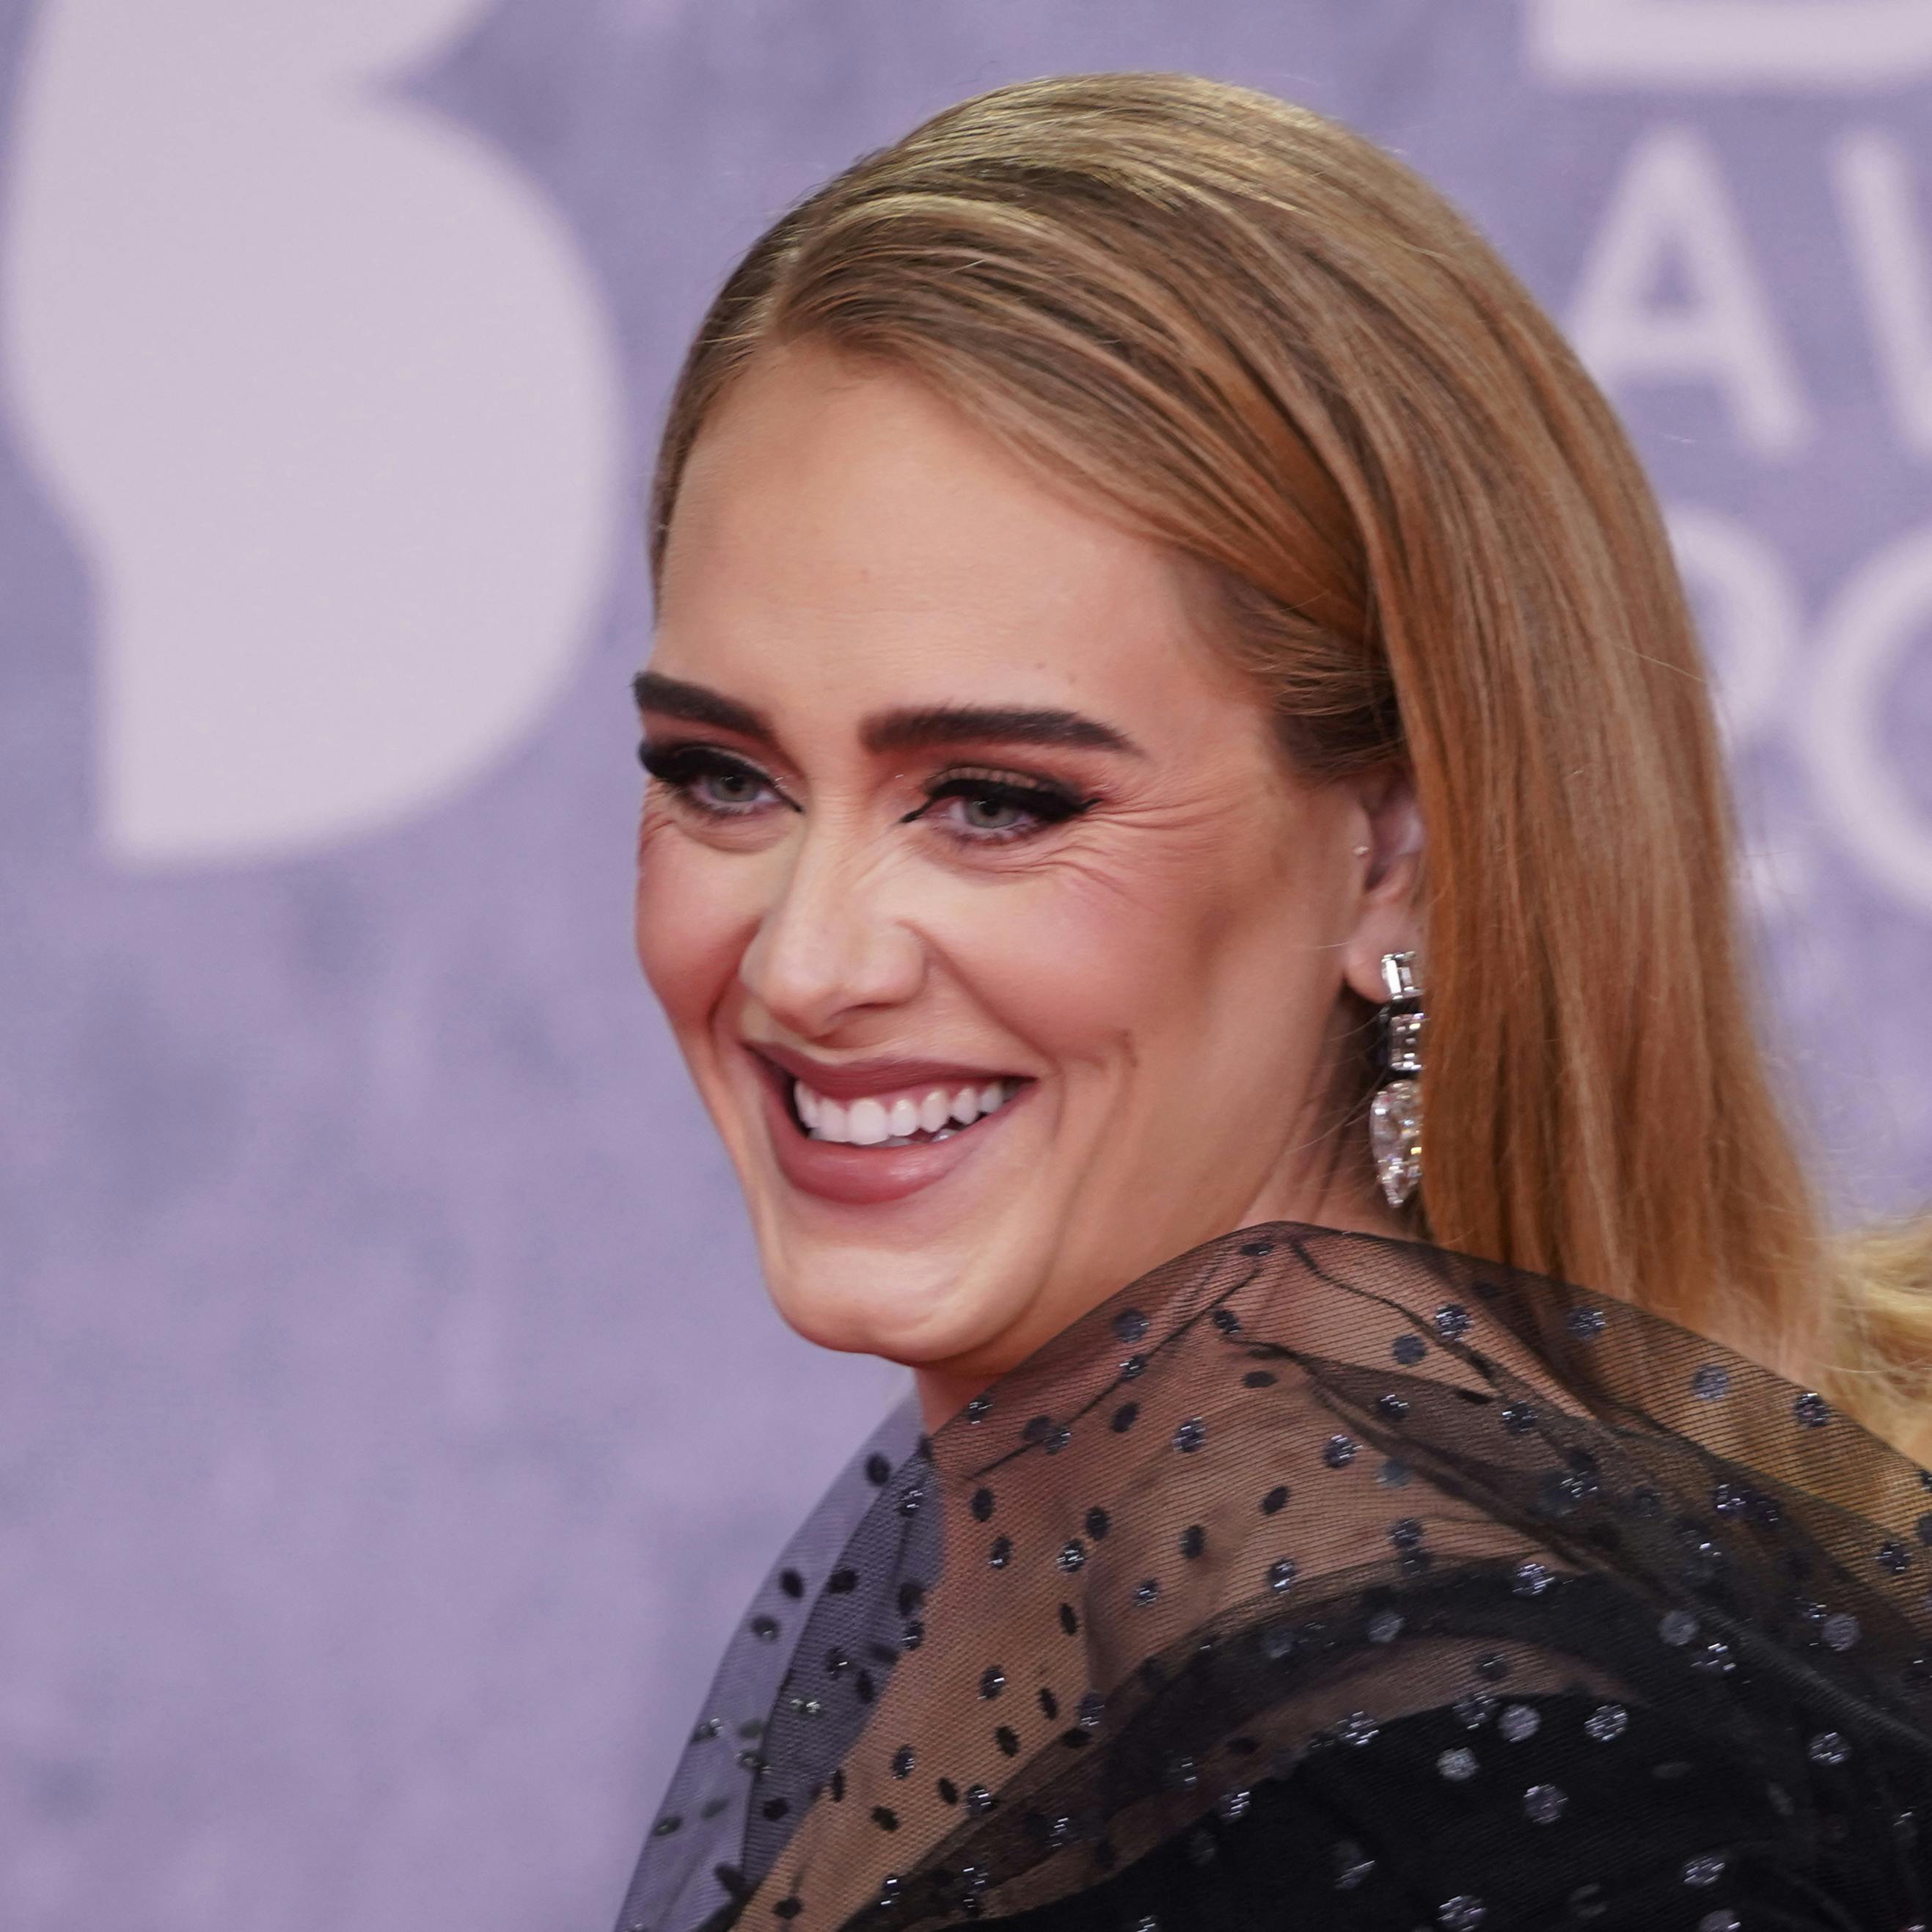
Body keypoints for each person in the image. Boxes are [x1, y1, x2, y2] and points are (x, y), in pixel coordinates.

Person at [612, 71, 1932, 1931]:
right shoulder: (1078, 1584)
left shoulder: (1493, 1813)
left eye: (999, 801)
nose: (808, 961)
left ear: (1398, 853)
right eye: (723, 777)